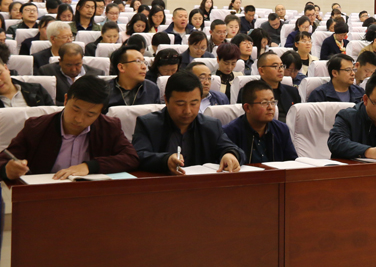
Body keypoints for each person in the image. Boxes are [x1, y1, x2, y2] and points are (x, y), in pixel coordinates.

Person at [0, 75, 139, 180]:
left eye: (90, 114)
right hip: (45, 194)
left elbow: (131, 157)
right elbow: (4, 160)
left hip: (91, 194)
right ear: (66, 100)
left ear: (100, 112)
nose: (79, 119)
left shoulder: (109, 127)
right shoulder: (36, 127)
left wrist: (90, 166)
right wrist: (8, 169)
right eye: (75, 109)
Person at [132, 71, 244, 174]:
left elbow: (231, 148)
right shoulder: (148, 124)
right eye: (180, 104)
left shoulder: (210, 125)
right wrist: (166, 160)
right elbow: (138, 155)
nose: (188, 111)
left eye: (194, 103)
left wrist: (230, 154)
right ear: (166, 100)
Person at [223, 80, 297, 163]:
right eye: (264, 103)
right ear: (247, 108)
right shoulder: (229, 132)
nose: (270, 107)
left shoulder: (281, 129)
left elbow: (292, 163)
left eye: (272, 102)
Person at [239, 51, 301, 122]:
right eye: (275, 66)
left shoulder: (292, 91)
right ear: (261, 71)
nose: (280, 70)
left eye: (282, 66)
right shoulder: (249, 92)